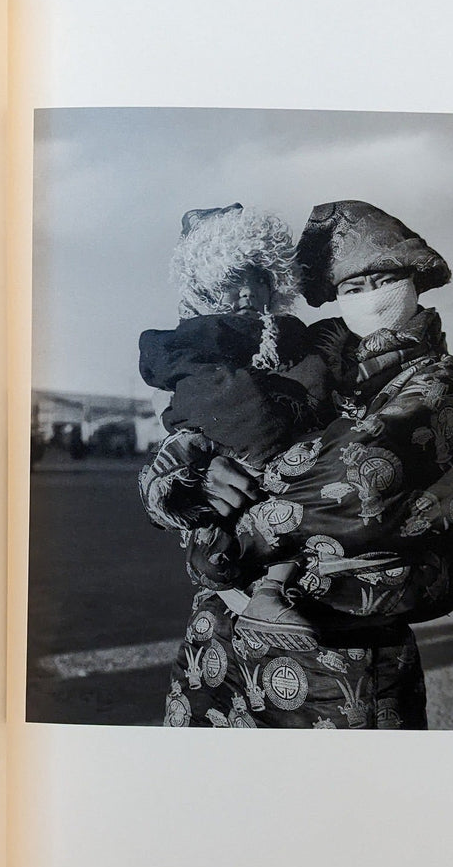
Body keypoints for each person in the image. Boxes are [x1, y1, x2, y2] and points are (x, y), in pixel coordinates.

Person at [144, 200, 453, 729]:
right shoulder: (318, 356)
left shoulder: (437, 380)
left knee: (338, 803)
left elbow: (353, 484)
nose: (369, 298)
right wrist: (182, 479)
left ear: (415, 279)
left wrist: (218, 527)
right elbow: (191, 443)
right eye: (350, 289)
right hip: (219, 640)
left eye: (382, 279)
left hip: (335, 650)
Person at [137, 203, 350, 644]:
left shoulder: (297, 340)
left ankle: (271, 591)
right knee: (225, 543)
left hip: (306, 506)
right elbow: (199, 409)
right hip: (245, 459)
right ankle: (257, 588)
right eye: (233, 281)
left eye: (260, 279)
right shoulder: (198, 340)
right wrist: (190, 473)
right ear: (208, 287)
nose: (249, 294)